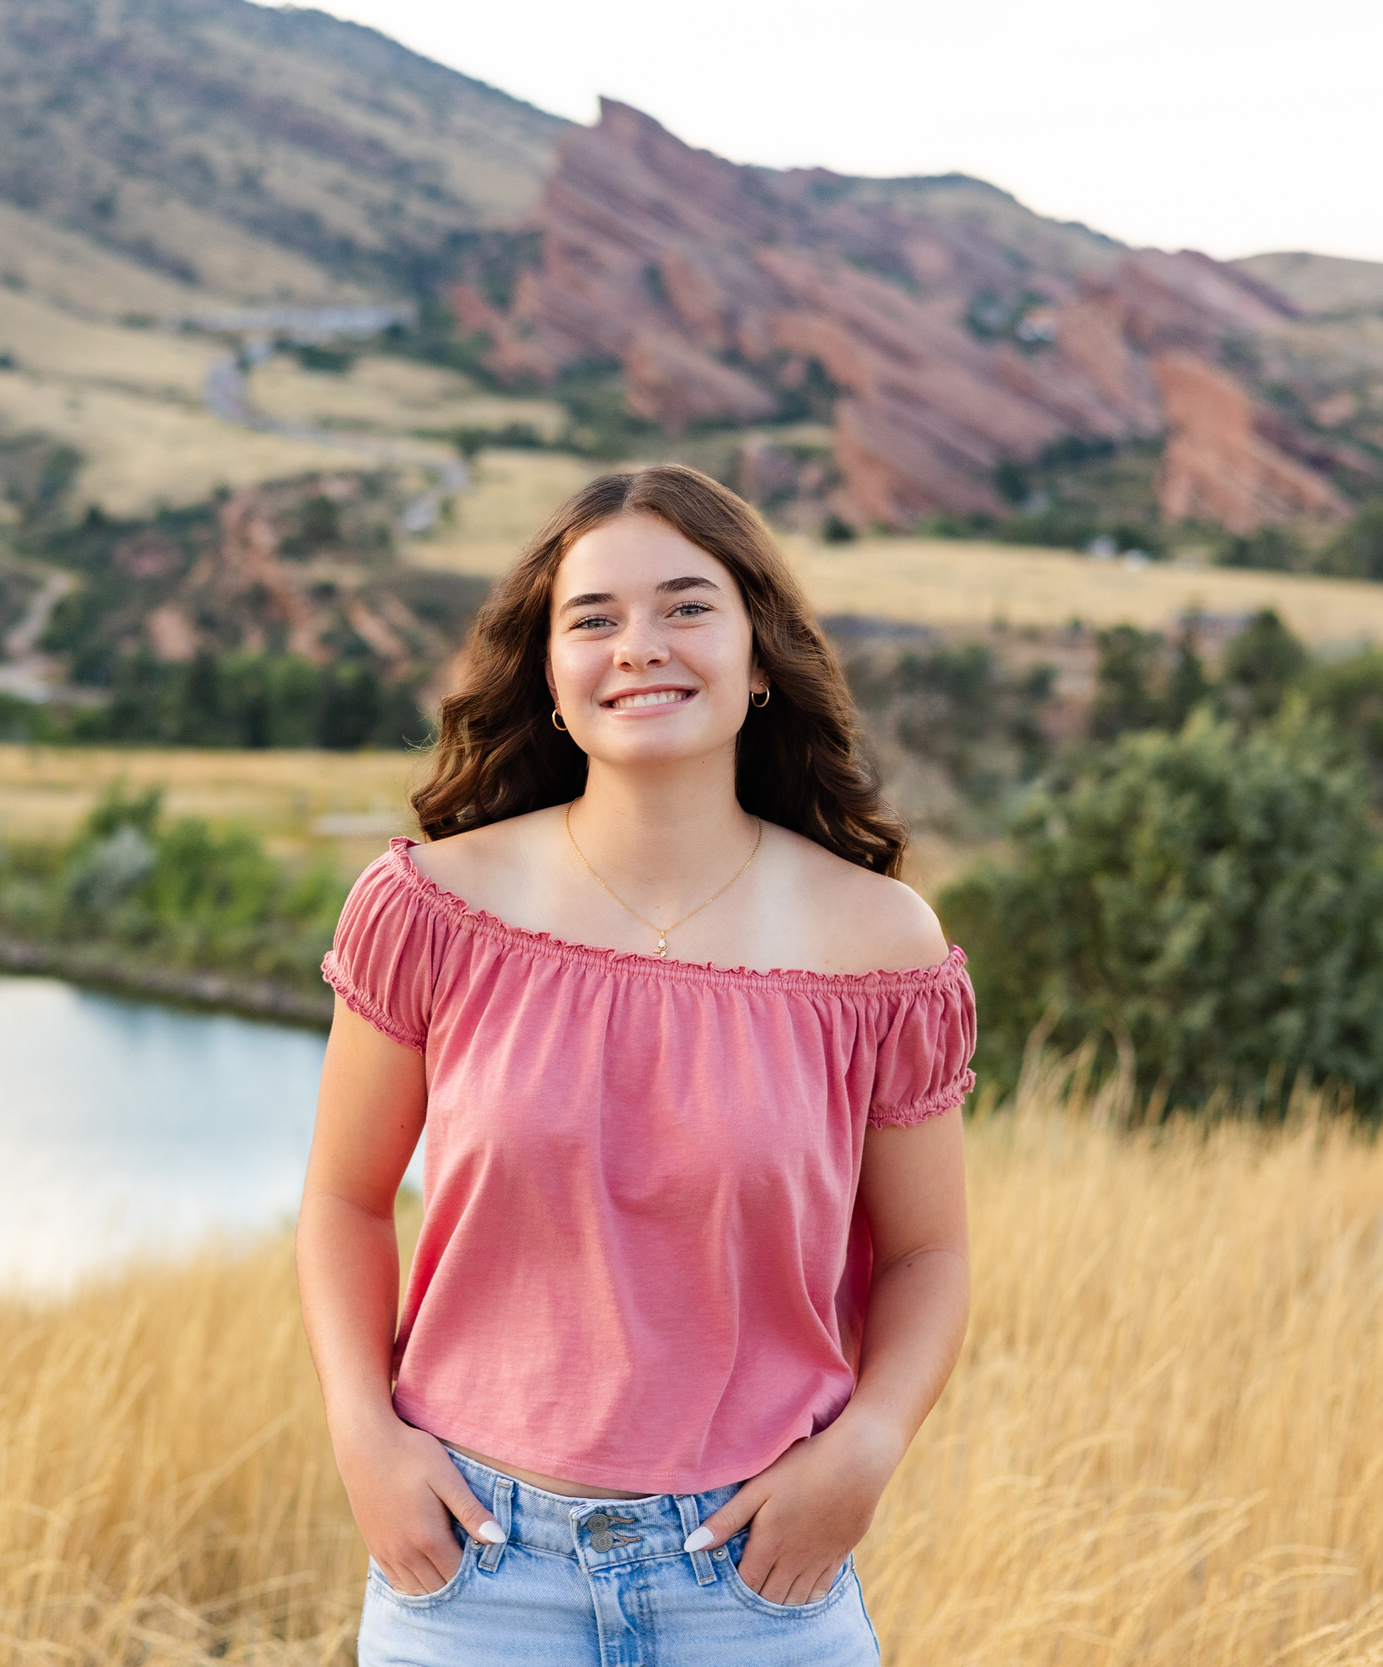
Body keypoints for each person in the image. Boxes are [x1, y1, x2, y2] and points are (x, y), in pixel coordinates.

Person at [297, 464, 975, 1665]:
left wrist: (866, 1450)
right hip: (476, 1571)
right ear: (550, 674)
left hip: (755, 1574)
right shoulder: (431, 908)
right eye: (593, 618)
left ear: (759, 656)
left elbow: (927, 1251)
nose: (638, 646)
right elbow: (345, 1201)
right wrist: (364, 1435)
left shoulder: (880, 946)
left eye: (685, 606)